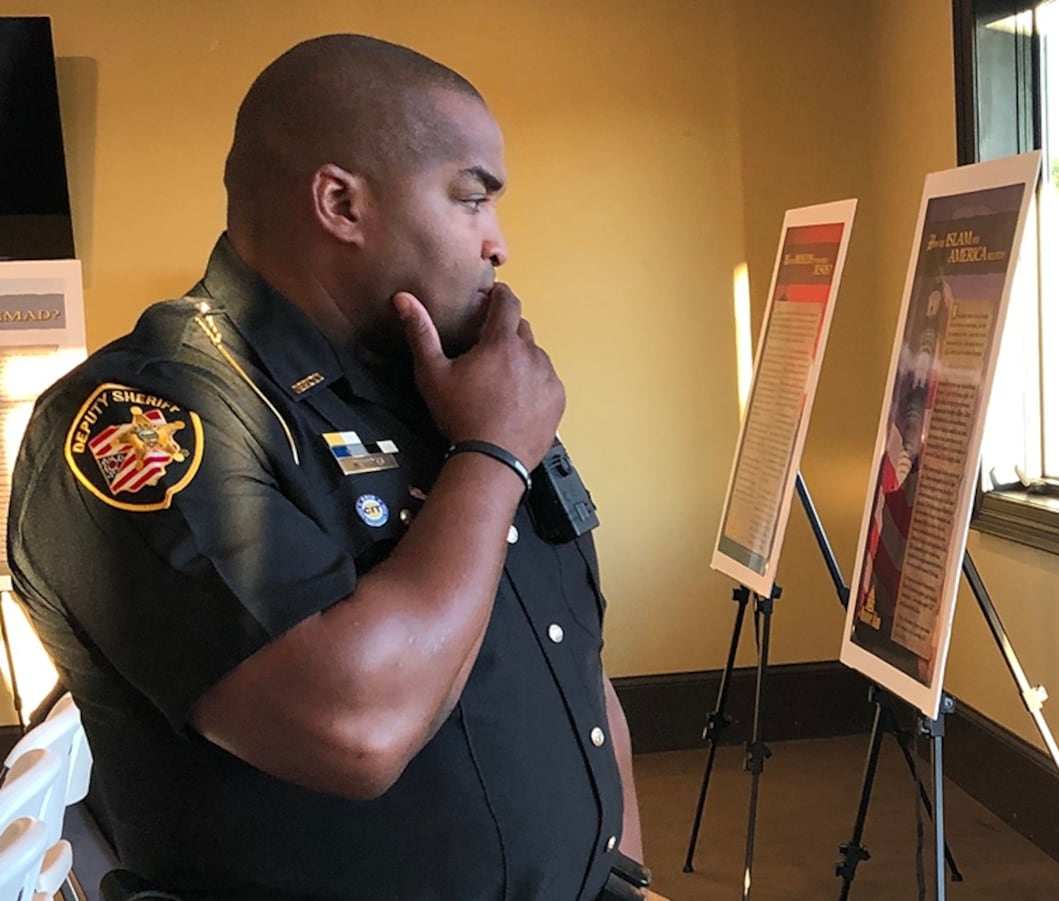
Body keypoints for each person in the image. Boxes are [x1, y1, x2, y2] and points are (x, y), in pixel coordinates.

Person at [7, 34, 667, 901]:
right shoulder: (141, 420)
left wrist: (623, 875)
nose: (498, 242)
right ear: (340, 204)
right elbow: (354, 727)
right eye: (472, 199)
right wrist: (496, 454)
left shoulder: (448, 383)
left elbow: (571, 667)